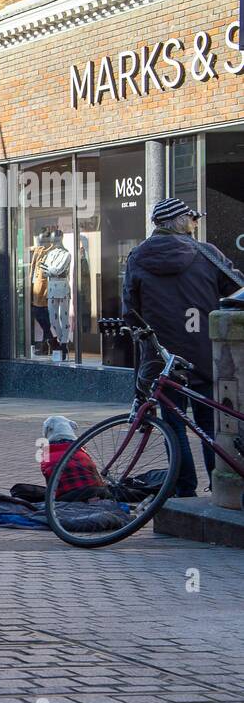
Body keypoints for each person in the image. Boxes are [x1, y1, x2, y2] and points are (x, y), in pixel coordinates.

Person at [123, 197, 242, 497]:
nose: (195, 223)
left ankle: (184, 489)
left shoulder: (137, 256)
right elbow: (237, 291)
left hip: (162, 360)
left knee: (173, 425)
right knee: (211, 426)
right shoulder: (206, 253)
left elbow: (130, 312)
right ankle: (221, 488)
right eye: (192, 218)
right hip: (205, 354)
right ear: (181, 221)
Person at [39, 415, 109, 501]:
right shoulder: (82, 452)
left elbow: (50, 480)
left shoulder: (47, 455)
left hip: (67, 498)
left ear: (47, 430)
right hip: (97, 492)